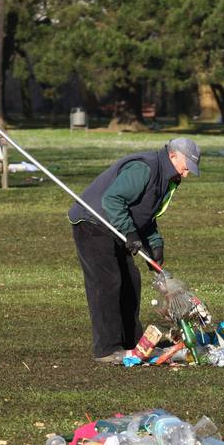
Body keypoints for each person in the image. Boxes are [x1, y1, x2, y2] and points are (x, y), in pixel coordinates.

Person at [69, 137, 201, 363]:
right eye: (186, 166)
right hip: (93, 223)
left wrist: (155, 245)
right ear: (173, 156)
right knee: (108, 282)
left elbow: (145, 214)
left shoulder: (166, 178)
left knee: (131, 279)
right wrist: (130, 233)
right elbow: (113, 199)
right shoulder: (144, 168)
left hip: (115, 226)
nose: (186, 173)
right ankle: (108, 349)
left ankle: (133, 343)